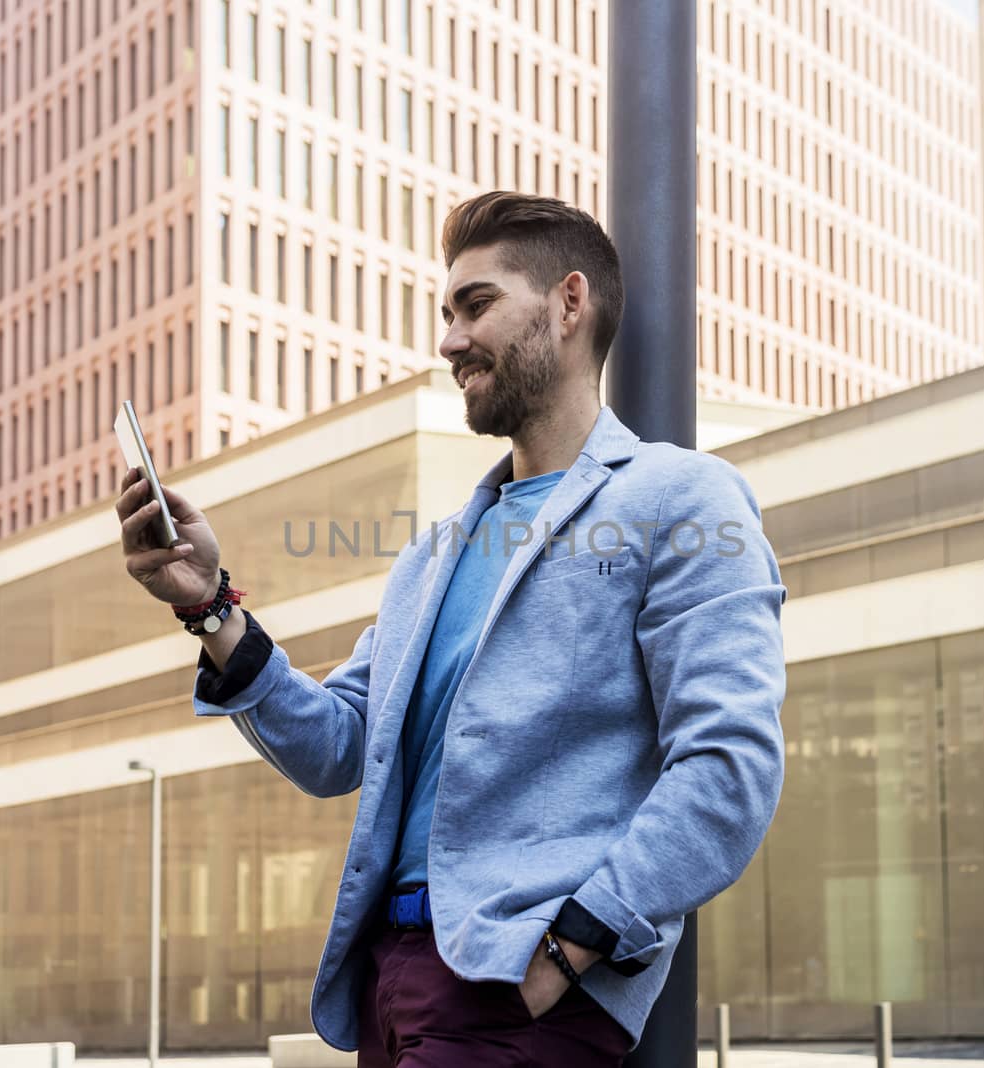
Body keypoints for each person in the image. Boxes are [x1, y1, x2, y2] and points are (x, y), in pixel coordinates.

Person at [115, 191, 787, 1067]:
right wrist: (208, 605)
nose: (449, 339)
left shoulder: (679, 498)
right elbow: (338, 748)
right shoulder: (432, 557)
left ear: (569, 303)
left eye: (477, 306)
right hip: (386, 983)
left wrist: (568, 949)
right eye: (446, 312)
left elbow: (730, 766)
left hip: (519, 988)